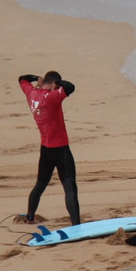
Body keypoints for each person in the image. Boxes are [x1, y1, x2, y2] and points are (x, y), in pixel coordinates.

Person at [19, 71, 81, 225]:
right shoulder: (52, 98)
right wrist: (57, 84)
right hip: (60, 150)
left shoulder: (32, 94)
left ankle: (30, 217)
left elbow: (22, 79)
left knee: (40, 184)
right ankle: (76, 226)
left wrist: (36, 80)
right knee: (69, 187)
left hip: (45, 149)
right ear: (54, 84)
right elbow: (70, 87)